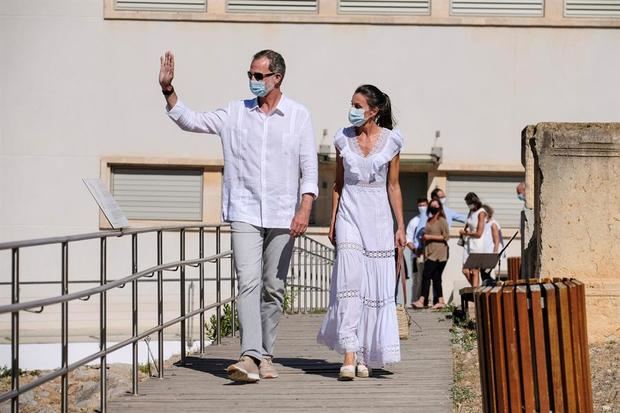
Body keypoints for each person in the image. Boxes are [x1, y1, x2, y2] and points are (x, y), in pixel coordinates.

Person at [159, 49, 318, 382]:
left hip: (283, 213)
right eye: (250, 75)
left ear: (277, 78)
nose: (252, 81)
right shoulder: (234, 112)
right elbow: (192, 120)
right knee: (247, 281)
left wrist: (305, 207)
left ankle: (265, 356)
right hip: (244, 209)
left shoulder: (298, 115)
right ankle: (248, 355)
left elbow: (309, 167)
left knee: (273, 287)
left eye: (259, 76)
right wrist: (168, 90)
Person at [317, 84, 405, 381]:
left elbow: (393, 185)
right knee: (350, 280)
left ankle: (365, 352)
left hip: (379, 218)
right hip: (349, 217)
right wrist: (332, 221)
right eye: (351, 104)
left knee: (372, 286)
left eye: (358, 105)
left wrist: (401, 226)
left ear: (374, 110)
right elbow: (338, 184)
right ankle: (349, 352)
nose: (352, 110)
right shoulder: (342, 139)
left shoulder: (393, 142)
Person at [411, 198, 449, 309]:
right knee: (436, 277)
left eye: (435, 205)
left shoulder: (442, 220)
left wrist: (430, 237)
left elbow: (446, 236)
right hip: (429, 252)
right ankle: (441, 301)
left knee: (426, 276)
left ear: (439, 207)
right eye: (431, 205)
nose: (433, 207)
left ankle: (422, 300)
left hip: (439, 253)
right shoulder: (428, 220)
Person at [460, 192, 487, 288]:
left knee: (475, 271)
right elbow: (468, 224)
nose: (469, 205)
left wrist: (466, 233)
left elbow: (479, 233)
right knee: (465, 270)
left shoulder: (481, 212)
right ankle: (475, 289)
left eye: (469, 203)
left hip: (477, 243)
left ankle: (475, 294)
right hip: (468, 243)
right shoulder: (471, 212)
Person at [405, 198, 428, 305]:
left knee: (428, 278)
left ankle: (428, 301)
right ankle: (415, 301)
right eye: (420, 205)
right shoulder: (414, 221)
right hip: (416, 255)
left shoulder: (431, 219)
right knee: (416, 279)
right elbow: (408, 239)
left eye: (424, 205)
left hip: (429, 254)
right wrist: (415, 250)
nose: (422, 207)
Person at [480, 204, 504, 283]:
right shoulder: (485, 224)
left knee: (485, 273)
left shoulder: (493, 224)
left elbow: (497, 240)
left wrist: (495, 253)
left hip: (491, 253)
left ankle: (493, 285)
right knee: (483, 274)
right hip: (485, 253)